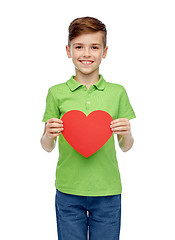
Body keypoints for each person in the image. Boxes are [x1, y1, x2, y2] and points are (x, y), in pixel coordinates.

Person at [40, 16, 136, 240]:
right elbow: (47, 146)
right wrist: (47, 133)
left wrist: (127, 133)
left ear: (104, 51)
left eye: (94, 47)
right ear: (68, 50)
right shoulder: (56, 93)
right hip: (68, 190)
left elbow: (126, 147)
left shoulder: (117, 92)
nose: (86, 54)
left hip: (108, 191)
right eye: (79, 47)